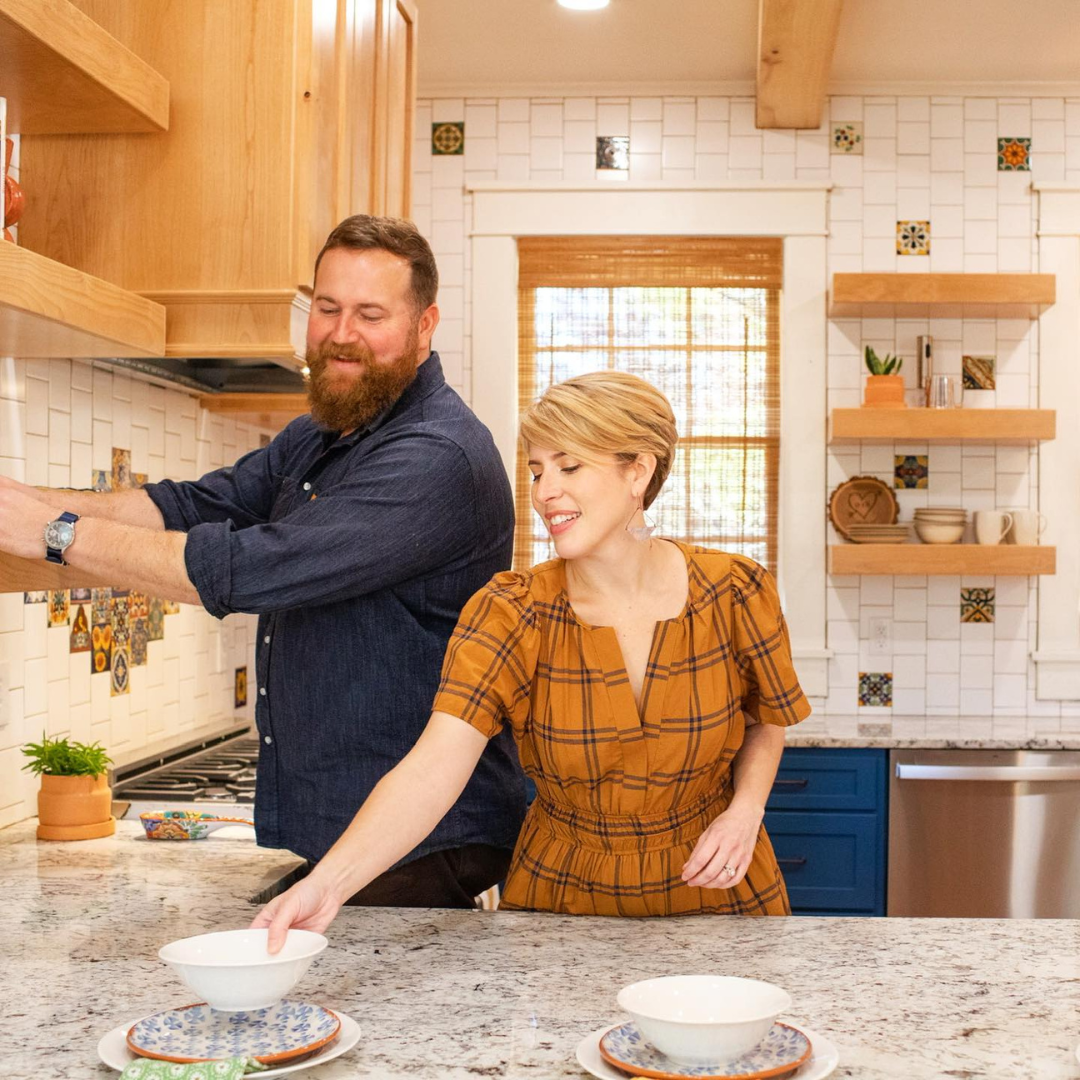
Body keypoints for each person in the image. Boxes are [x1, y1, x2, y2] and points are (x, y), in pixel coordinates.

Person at [0, 215, 526, 906]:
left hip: (423, 838)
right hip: (354, 831)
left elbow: (247, 568)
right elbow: (183, 506)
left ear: (425, 326)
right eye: (329, 309)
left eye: (371, 314)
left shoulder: (435, 456)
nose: (342, 333)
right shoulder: (320, 436)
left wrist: (55, 533)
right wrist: (21, 502)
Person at [253, 370, 811, 946]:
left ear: (638, 471)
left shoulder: (736, 591)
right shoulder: (513, 611)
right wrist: (330, 883)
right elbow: (433, 765)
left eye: (569, 467)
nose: (544, 493)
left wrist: (745, 812)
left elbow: (762, 720)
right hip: (562, 901)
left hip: (720, 893)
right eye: (538, 471)